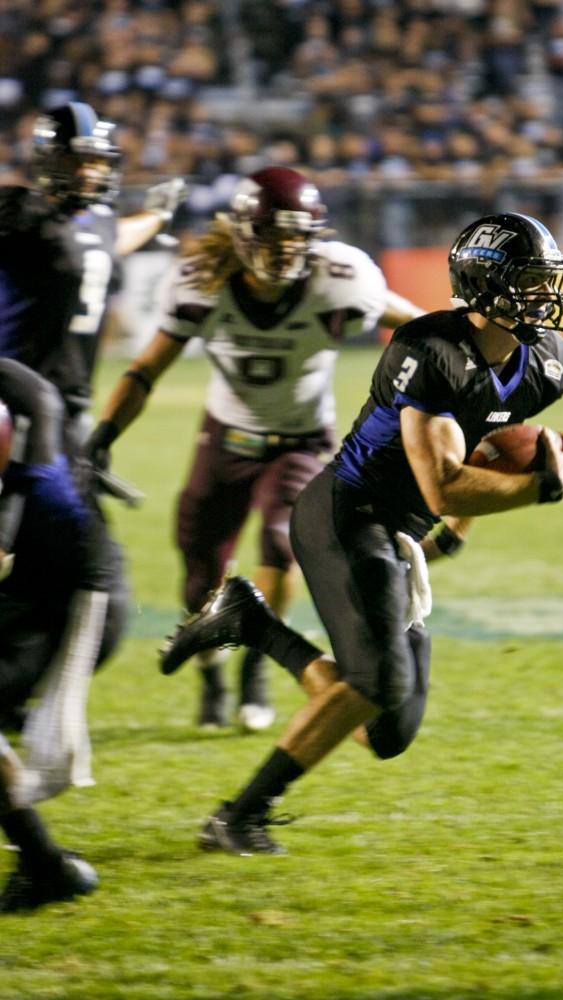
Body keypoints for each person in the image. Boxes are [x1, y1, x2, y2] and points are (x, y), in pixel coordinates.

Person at [157, 211, 563, 855]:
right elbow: (442, 481)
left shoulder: (548, 364)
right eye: (529, 282)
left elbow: (483, 442)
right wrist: (539, 486)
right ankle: (238, 816)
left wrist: (453, 534)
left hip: (399, 531)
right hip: (346, 515)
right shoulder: (430, 351)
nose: (546, 297)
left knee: (386, 729)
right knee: (378, 682)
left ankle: (251, 621)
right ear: (484, 285)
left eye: (548, 281)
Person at [88, 165, 424, 732]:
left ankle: (256, 674)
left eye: (297, 235)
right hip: (226, 434)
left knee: (279, 544)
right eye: (273, 235)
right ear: (243, 234)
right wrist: (102, 437)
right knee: (200, 569)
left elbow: (417, 323)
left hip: (302, 436)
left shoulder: (340, 278)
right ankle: (214, 676)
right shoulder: (203, 281)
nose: (286, 248)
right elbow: (146, 369)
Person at [0, 102, 185, 722]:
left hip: (66, 427)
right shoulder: (18, 213)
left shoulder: (96, 222)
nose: (90, 174)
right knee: (92, 589)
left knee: (49, 586)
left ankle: (13, 698)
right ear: (50, 162)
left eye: (96, 163)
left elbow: (112, 238)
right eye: (78, 163)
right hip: (15, 419)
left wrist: (156, 214)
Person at [0, 359, 118, 911]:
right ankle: (42, 863)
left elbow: (6, 539)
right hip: (34, 573)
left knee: (46, 758)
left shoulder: (18, 397)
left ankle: (43, 863)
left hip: (64, 582)